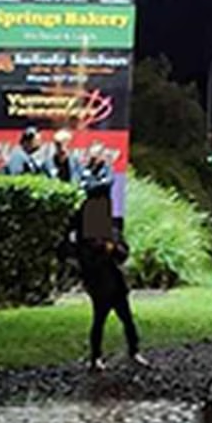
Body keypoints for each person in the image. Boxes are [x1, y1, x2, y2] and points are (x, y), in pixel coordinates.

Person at [62, 147, 146, 371]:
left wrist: (114, 249)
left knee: (126, 318)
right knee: (99, 320)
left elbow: (122, 251)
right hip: (99, 281)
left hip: (114, 281)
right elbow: (84, 254)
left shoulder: (110, 224)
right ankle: (96, 357)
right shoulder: (83, 228)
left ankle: (133, 351)